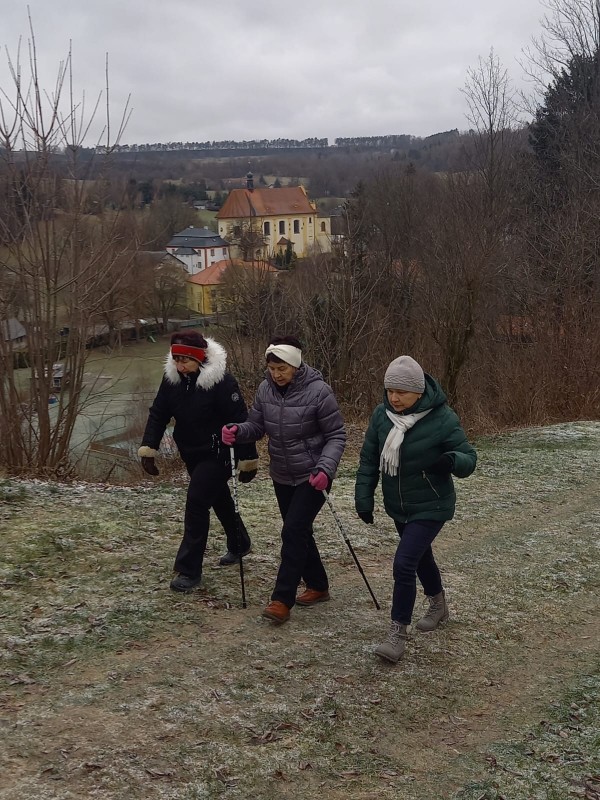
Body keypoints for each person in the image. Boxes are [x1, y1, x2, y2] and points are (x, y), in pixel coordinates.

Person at [354, 355, 477, 663]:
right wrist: (363, 498)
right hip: (399, 505)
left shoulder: (442, 418)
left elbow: (468, 457)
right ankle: (439, 604)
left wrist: (451, 461)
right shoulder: (381, 416)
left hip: (432, 503)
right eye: (390, 390)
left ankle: (397, 634)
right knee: (421, 557)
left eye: (402, 392)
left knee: (404, 563)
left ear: (419, 392)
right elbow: (369, 459)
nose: (394, 398)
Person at [221, 335, 346, 625]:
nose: (276, 375)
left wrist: (326, 469)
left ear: (296, 365)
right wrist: (239, 431)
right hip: (282, 474)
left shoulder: (319, 392)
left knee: (292, 531)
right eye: (272, 368)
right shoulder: (266, 390)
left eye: (282, 368)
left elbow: (336, 435)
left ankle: (281, 599)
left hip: (313, 475)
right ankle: (318, 585)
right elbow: (257, 425)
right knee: (299, 532)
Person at [138, 330, 258, 592]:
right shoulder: (172, 380)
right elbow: (159, 413)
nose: (180, 366)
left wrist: (248, 457)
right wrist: (150, 447)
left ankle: (188, 570)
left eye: (186, 361)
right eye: (176, 360)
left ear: (200, 359)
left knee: (196, 503)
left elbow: (240, 419)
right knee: (218, 498)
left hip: (219, 453)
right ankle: (240, 543)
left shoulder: (222, 382)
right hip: (191, 452)